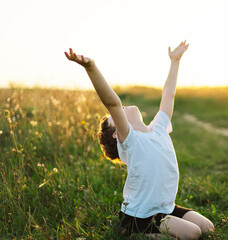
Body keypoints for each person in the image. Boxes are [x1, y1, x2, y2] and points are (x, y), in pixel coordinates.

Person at [65, 41, 214, 239]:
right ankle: (132, 232)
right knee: (193, 234)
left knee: (207, 227)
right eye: (118, 115)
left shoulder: (159, 128)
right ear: (118, 134)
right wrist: (91, 67)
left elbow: (168, 94)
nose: (124, 108)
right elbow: (112, 102)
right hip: (140, 215)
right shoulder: (131, 141)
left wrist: (175, 61)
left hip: (164, 208)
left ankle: (156, 229)